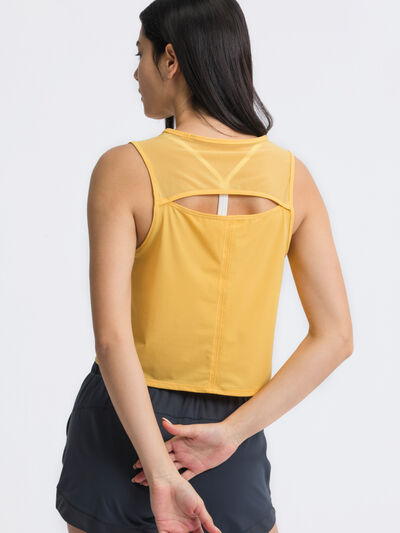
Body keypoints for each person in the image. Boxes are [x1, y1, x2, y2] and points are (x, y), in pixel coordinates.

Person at [55, 1, 354, 532]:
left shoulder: (124, 169)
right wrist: (233, 434)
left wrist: (158, 471)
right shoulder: (292, 179)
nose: (136, 73)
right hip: (226, 439)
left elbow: (113, 340)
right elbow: (335, 337)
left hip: (121, 422)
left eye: (140, 54)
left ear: (171, 60)